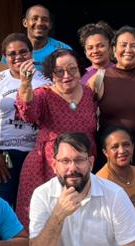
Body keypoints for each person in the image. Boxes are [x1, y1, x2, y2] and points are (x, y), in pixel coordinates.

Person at [13, 48, 99, 225]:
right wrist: (25, 83)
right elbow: (28, 113)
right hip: (49, 165)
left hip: (82, 164)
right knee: (46, 218)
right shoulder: (43, 94)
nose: (66, 75)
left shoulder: (89, 93)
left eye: (72, 69)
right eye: (59, 71)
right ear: (51, 74)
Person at [0, 32, 47, 213]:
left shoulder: (45, 82)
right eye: (12, 54)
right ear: (4, 57)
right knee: (2, 205)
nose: (18, 57)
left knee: (32, 206)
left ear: (31, 53)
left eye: (23, 52)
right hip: (4, 153)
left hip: (35, 153)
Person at [89, 26, 135, 170]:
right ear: (114, 49)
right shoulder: (100, 78)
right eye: (123, 45)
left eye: (134, 46)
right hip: (111, 149)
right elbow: (77, 98)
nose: (128, 50)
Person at [96, 126, 135, 208]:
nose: (122, 151)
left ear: (133, 146)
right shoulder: (101, 182)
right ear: (105, 152)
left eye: (126, 145)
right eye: (115, 147)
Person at [23, 4, 71, 76]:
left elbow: (72, 77)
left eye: (45, 20)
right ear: (25, 22)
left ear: (50, 25)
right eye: (34, 19)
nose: (39, 23)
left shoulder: (63, 50)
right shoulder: (14, 50)